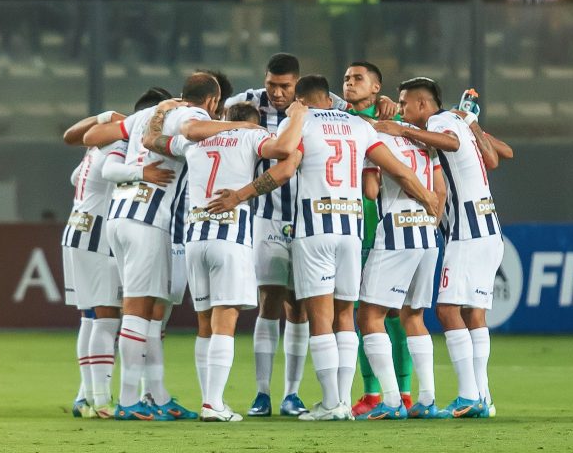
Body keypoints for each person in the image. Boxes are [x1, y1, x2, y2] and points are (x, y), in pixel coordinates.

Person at [211, 74, 438, 420]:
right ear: (329, 99)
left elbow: (285, 170)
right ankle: (344, 402)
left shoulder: (300, 122)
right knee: (347, 315)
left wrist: (239, 195)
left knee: (321, 318)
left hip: (315, 231)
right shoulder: (359, 127)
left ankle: (331, 403)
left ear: (300, 101)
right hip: (351, 231)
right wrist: (430, 200)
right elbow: (401, 171)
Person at [148, 98, 307, 421]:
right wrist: (298, 116)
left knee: (205, 323)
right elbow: (284, 149)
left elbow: (150, 141)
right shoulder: (251, 135)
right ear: (252, 121)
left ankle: (211, 401)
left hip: (195, 237)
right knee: (226, 319)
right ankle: (213, 404)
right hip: (229, 236)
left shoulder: (195, 140)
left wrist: (161, 112)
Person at [84, 76, 220, 420]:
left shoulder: (147, 115)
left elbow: (91, 138)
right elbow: (200, 135)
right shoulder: (195, 117)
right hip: (149, 221)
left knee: (144, 313)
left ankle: (154, 397)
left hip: (119, 218)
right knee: (138, 312)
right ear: (213, 101)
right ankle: (129, 402)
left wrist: (135, 165)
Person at [379, 77, 504, 417]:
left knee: (448, 311)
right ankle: (483, 397)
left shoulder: (440, 122)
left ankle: (468, 397)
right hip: (488, 229)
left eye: (405, 104)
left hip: (467, 232)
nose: (402, 110)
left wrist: (405, 131)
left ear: (421, 104)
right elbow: (499, 156)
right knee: (473, 314)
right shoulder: (457, 120)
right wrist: (473, 122)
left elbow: (449, 144)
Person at [225, 53, 314, 418]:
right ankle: (262, 393)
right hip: (266, 217)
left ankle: (292, 394)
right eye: (271, 85)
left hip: (308, 221)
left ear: (298, 84)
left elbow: (355, 110)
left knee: (300, 306)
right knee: (269, 301)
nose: (276, 93)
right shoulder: (244, 104)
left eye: (285, 87)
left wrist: (380, 105)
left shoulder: (316, 106)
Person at [357, 83, 446, 419]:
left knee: (370, 315)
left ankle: (391, 402)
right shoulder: (421, 138)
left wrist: (366, 171)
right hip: (427, 235)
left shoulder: (375, 138)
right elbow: (440, 191)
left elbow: (371, 190)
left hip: (396, 231)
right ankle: (427, 399)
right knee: (413, 316)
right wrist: (430, 219)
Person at [60, 111, 125, 418]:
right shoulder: (116, 146)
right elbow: (115, 175)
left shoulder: (93, 149)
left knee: (89, 317)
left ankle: (85, 396)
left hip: (76, 228)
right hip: (97, 236)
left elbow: (75, 178)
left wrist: (100, 118)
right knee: (106, 316)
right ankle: (101, 401)